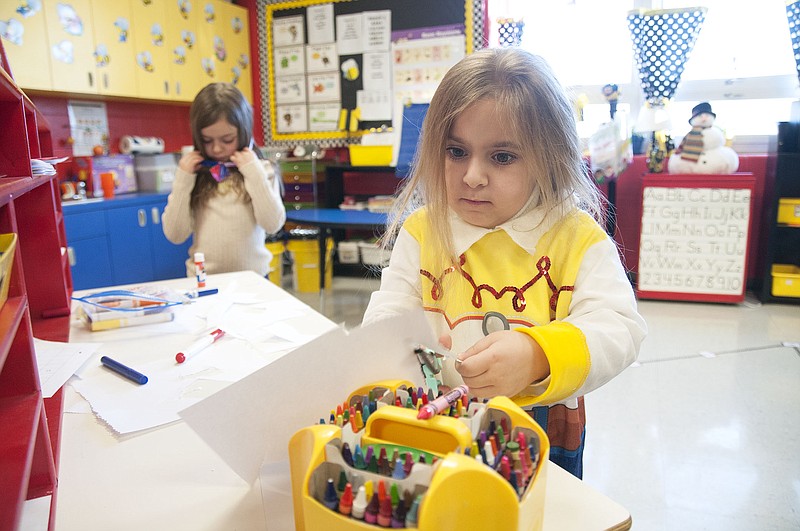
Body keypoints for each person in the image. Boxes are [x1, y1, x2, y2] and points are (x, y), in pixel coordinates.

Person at [362, 48, 646, 478]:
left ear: (549, 158)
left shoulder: (575, 236)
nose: (472, 175)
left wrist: (537, 354)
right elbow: (392, 309)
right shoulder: (424, 229)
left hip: (540, 425)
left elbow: (619, 327)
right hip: (436, 415)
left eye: (502, 157)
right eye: (456, 151)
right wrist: (389, 356)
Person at [163, 82, 286, 278]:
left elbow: (273, 224)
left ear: (244, 132)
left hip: (253, 280)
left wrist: (254, 174)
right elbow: (175, 235)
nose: (217, 149)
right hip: (204, 280)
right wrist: (183, 180)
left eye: (227, 140)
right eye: (207, 141)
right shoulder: (196, 174)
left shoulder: (261, 170)